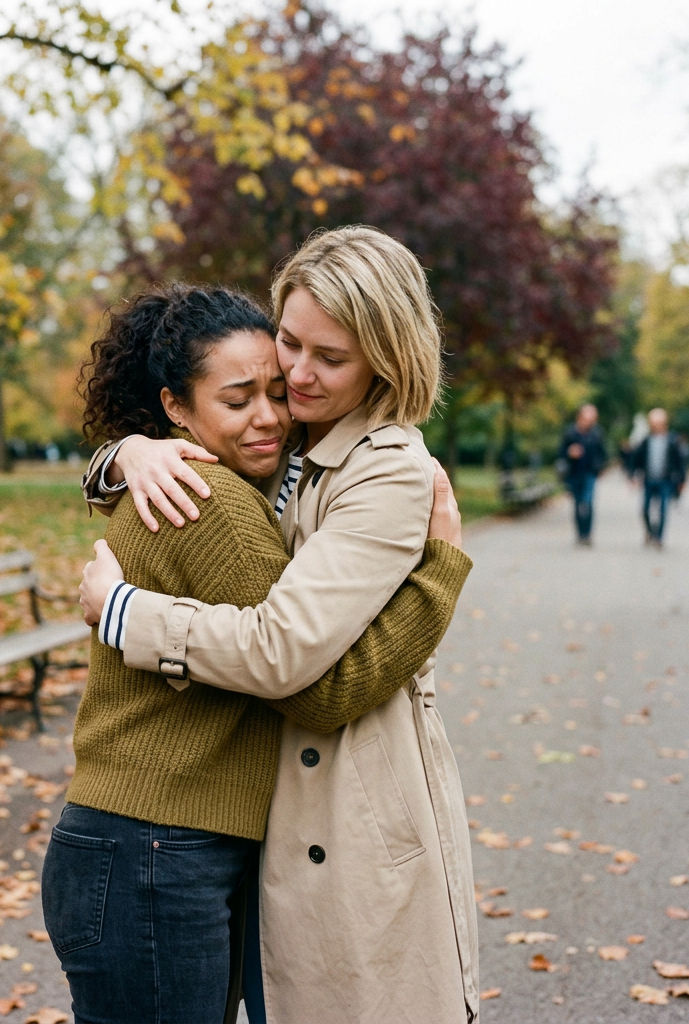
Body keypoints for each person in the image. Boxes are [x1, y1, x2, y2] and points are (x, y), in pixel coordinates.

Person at [80, 227, 480, 1023]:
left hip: (348, 811)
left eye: (327, 358)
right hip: (244, 818)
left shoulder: (388, 467)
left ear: (385, 359)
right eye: (289, 341)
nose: (294, 374)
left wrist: (127, 612)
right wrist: (124, 453)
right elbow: (204, 434)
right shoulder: (290, 428)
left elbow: (291, 660)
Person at [629, 408, 687, 547]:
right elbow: (635, 459)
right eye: (653, 423)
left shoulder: (673, 441)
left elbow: (680, 461)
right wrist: (632, 475)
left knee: (663, 509)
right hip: (649, 479)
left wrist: (682, 480)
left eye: (658, 423)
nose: (656, 426)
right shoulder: (646, 441)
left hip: (666, 480)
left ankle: (659, 537)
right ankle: (650, 531)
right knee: (645, 509)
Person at [558, 403, 607, 545]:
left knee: (588, 502)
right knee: (578, 504)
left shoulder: (597, 433)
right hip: (574, 474)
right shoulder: (570, 433)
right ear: (580, 417)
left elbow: (602, 453)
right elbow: (561, 453)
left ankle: (587, 534)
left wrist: (600, 467)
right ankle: (580, 534)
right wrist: (570, 453)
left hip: (590, 473)